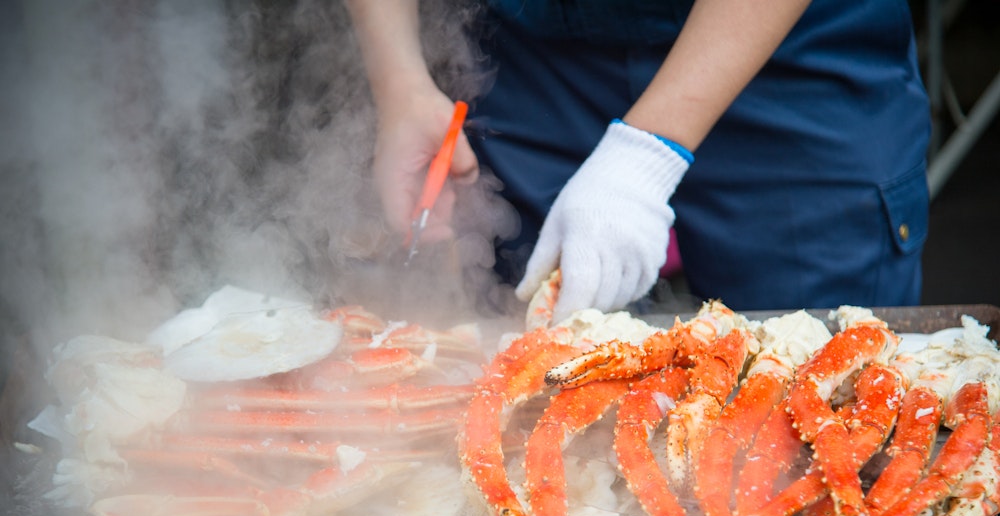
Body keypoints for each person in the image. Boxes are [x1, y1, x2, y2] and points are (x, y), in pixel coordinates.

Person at [345, 1, 930, 324]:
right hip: (529, 48)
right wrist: (397, 80)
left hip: (789, 45)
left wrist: (648, 153)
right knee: (525, 361)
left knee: (823, 372)